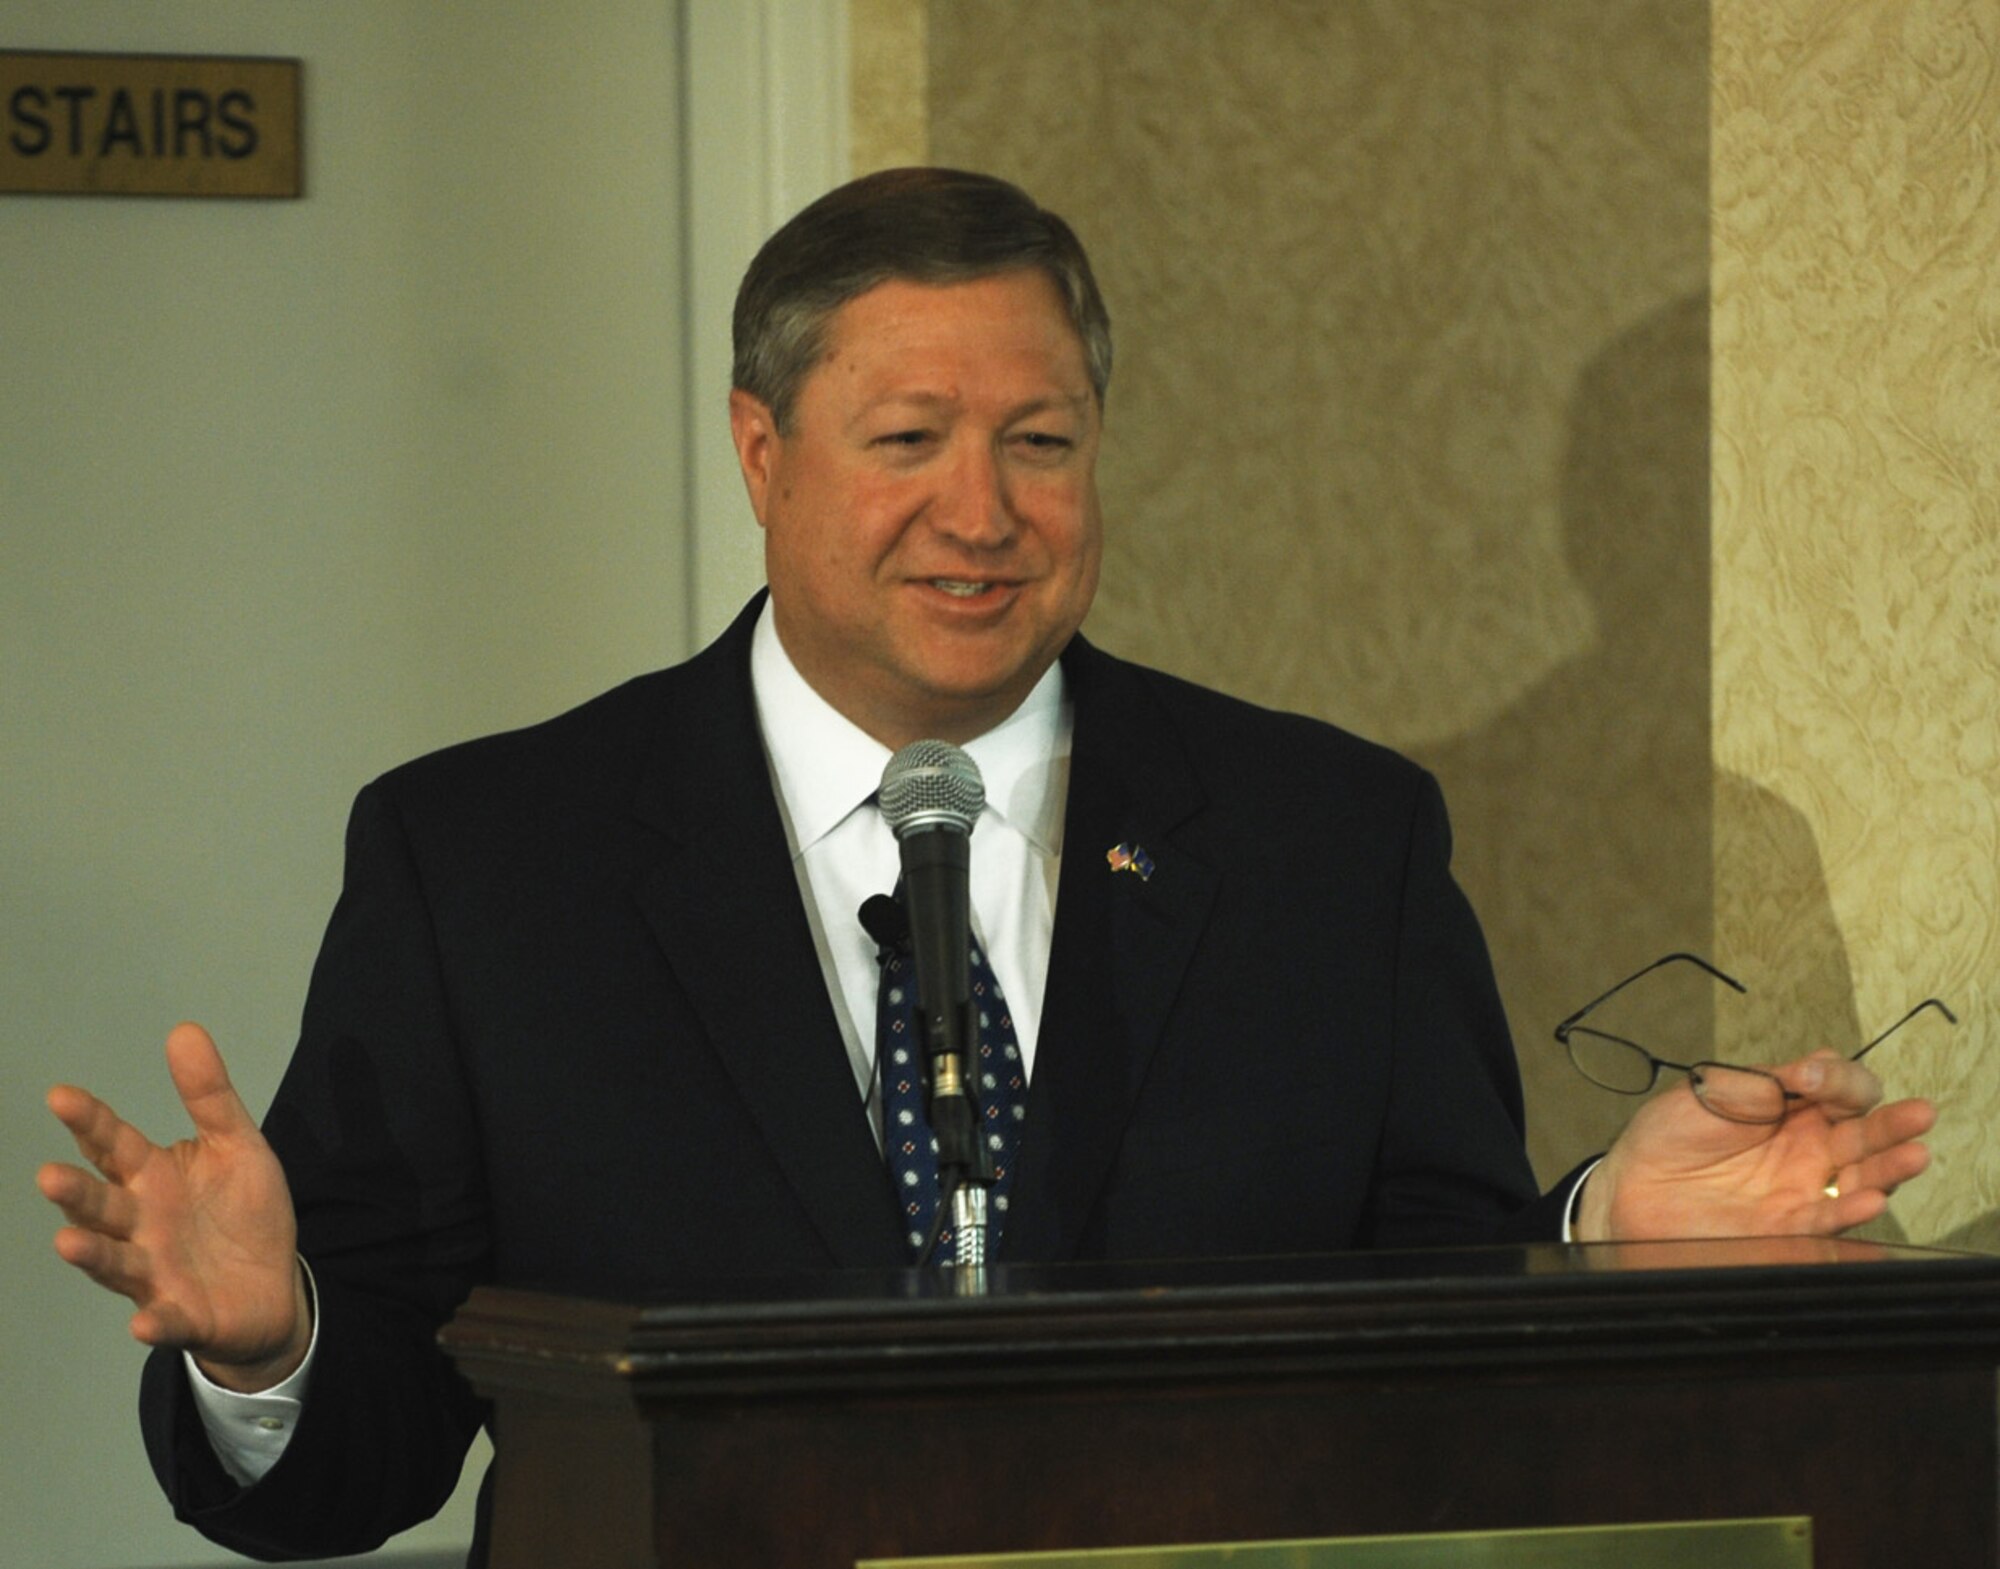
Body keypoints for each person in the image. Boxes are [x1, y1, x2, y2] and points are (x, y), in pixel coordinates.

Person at [38, 168, 1936, 1564]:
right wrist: (273, 1343)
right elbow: (357, 1463)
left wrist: (1608, 1235)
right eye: (910, 439)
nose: (983, 511)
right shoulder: (485, 859)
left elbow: (1426, 1324)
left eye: (1040, 439)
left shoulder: (1323, 838)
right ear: (760, 449)